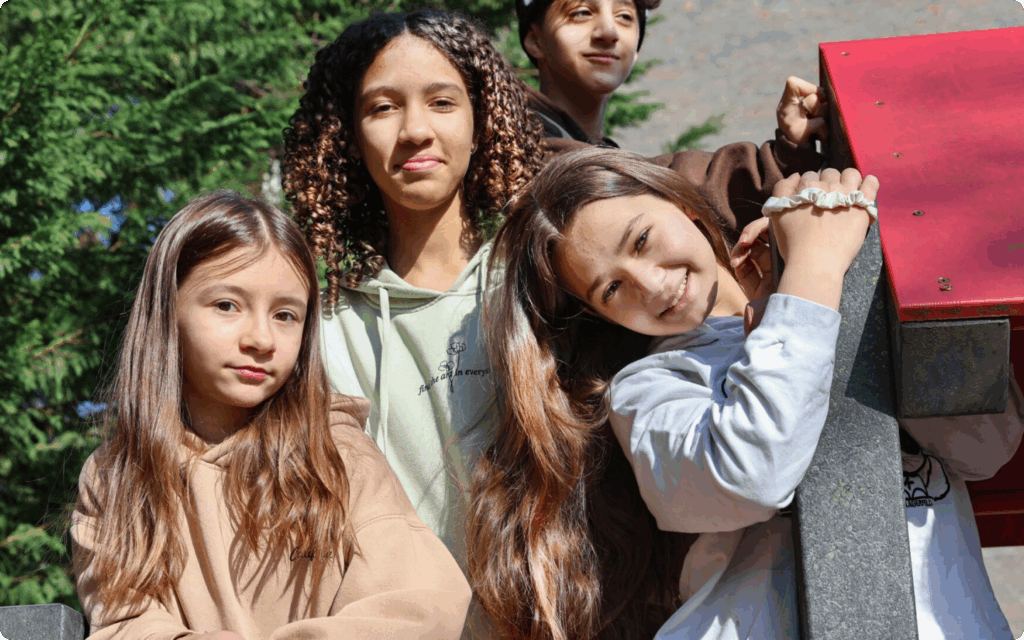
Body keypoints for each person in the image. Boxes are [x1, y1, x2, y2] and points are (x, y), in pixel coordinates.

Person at [473, 146, 1023, 640]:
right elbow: (752, 475)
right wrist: (813, 270)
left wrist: (851, 295)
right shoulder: (647, 392)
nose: (650, 282)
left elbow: (987, 443)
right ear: (599, 314)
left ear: (683, 205)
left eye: (641, 239)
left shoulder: (829, 291)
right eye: (612, 288)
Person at [70, 191, 471, 640]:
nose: (261, 338)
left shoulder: (336, 457)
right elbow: (126, 625)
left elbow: (423, 602)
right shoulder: (115, 479)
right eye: (227, 305)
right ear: (168, 312)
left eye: (285, 315)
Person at [282, 10, 544, 637]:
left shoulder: (542, 286)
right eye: (382, 108)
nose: (416, 130)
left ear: (483, 123)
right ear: (347, 136)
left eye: (442, 102)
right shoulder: (320, 334)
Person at [515, 0, 830, 236]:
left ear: (636, 49)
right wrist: (776, 160)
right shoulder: (519, 152)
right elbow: (651, 184)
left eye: (625, 17)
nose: (609, 32)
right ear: (535, 40)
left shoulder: (593, 148)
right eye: (581, 12)